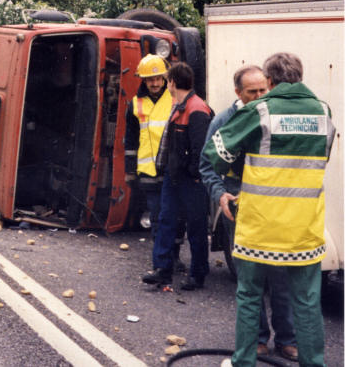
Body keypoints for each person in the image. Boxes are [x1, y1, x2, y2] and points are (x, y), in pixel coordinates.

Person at [205, 53, 334, 367]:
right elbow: (324, 154)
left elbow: (216, 153)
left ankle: (244, 361)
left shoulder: (258, 110)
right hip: (304, 229)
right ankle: (313, 363)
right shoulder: (323, 111)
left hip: (259, 226)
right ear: (300, 77)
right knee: (306, 301)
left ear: (271, 81)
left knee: (250, 296)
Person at [199, 65, 298, 361]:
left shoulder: (273, 116)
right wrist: (221, 195)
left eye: (262, 90)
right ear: (238, 93)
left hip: (272, 207)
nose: (259, 96)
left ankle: (287, 339)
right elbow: (207, 165)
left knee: (281, 276)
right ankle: (257, 340)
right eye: (252, 92)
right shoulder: (224, 121)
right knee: (250, 280)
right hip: (239, 209)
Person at [142, 62, 212, 290]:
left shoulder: (196, 108)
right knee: (166, 221)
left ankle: (198, 274)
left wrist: (193, 175)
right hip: (174, 178)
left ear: (172, 82)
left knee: (196, 226)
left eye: (167, 80)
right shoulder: (179, 104)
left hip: (190, 181)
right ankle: (162, 270)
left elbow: (200, 149)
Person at [124, 54, 185, 269]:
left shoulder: (176, 101)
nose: (155, 83)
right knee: (158, 218)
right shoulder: (135, 105)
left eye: (159, 78)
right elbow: (130, 141)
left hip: (173, 170)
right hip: (149, 172)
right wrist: (129, 171)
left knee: (176, 217)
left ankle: (174, 256)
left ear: (166, 78)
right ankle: (163, 259)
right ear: (143, 80)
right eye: (150, 79)